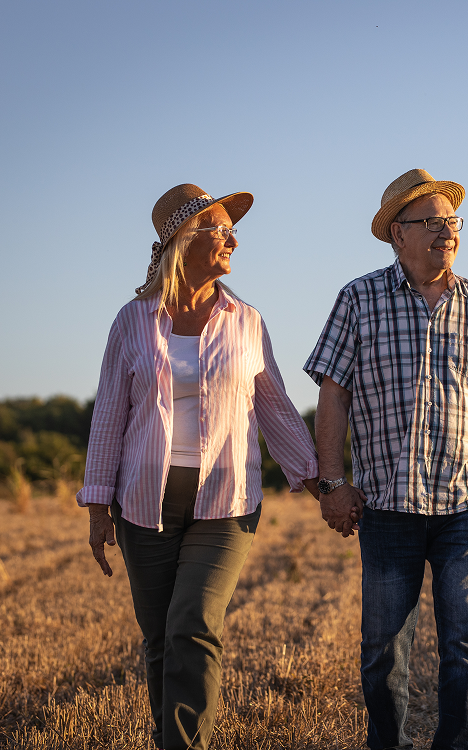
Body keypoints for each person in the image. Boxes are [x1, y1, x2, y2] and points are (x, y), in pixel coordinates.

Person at [77, 183, 320, 750]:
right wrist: (97, 504)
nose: (233, 237)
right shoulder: (133, 321)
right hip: (144, 502)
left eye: (232, 228)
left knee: (194, 623)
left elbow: (276, 407)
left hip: (227, 501)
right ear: (183, 241)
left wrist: (317, 479)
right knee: (161, 637)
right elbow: (109, 414)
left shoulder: (246, 320)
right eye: (219, 227)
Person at [304, 169, 468, 750]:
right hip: (387, 503)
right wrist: (332, 482)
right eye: (431, 223)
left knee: (466, 643)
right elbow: (333, 391)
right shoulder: (358, 298)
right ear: (397, 234)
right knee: (381, 649)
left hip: (467, 501)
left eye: (451, 222)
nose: (445, 233)